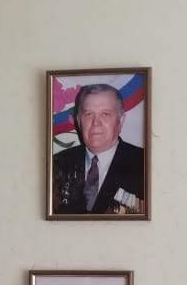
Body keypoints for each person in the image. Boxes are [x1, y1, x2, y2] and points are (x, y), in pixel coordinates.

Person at [52, 84, 145, 215]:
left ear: (121, 121)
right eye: (88, 114)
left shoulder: (144, 164)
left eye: (105, 114)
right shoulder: (57, 164)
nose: (96, 123)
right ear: (78, 121)